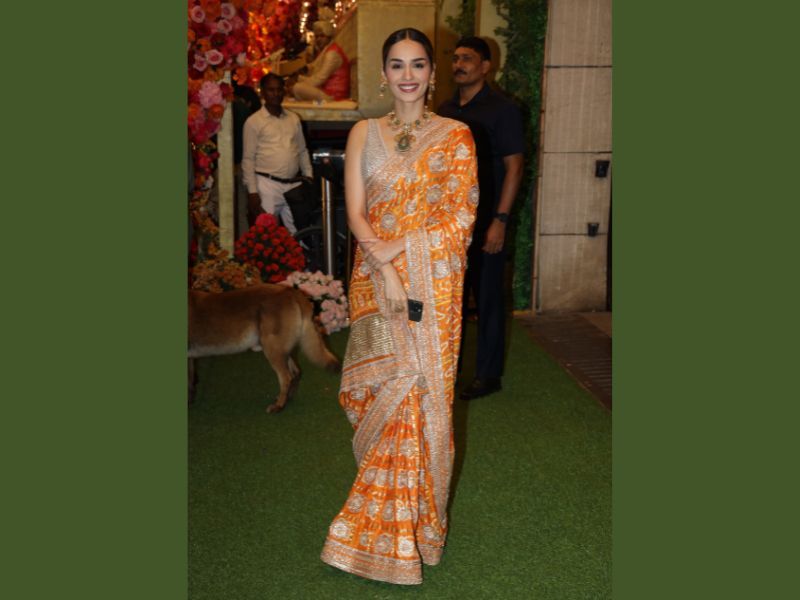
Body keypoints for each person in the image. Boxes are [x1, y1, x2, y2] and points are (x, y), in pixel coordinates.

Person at [320, 28, 478, 585]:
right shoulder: (364, 132)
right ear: (384, 74)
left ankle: (412, 533)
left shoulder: (455, 136)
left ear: (432, 72)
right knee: (375, 394)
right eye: (396, 65)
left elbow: (460, 217)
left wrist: (403, 249)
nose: (407, 75)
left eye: (417, 64)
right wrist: (385, 267)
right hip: (374, 279)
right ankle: (390, 524)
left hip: (432, 287)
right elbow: (355, 212)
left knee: (419, 397)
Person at [437, 36, 525, 401]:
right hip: (451, 221)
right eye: (456, 58)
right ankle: (448, 369)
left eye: (468, 59)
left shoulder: (503, 110)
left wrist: (500, 220)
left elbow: (515, 167)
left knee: (487, 298)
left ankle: (488, 375)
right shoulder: (444, 110)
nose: (459, 64)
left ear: (486, 66)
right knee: (450, 297)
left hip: (488, 219)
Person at [241, 73, 313, 234]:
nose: (275, 94)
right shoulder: (253, 122)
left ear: (284, 91)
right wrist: (252, 192)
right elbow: (248, 159)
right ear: (262, 92)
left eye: (279, 89)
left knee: (300, 234)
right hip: (267, 185)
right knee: (266, 236)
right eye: (271, 90)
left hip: (293, 185)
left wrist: (308, 177)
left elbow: (302, 150)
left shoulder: (294, 119)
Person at [289, 20, 350, 102]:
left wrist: (298, 82)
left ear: (329, 36)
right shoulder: (326, 50)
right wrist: (298, 76)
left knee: (297, 88)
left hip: (334, 96)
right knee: (297, 87)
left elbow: (319, 79)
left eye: (322, 36)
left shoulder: (332, 54)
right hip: (325, 91)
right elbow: (313, 67)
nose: (318, 39)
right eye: (317, 36)